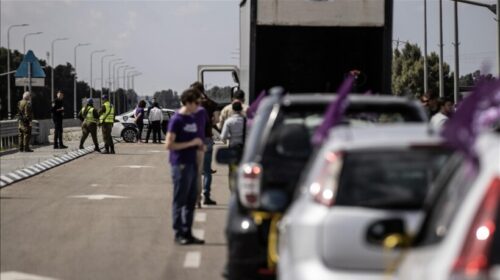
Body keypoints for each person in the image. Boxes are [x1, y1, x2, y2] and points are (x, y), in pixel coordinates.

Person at [165, 88, 205, 245]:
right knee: (180, 199)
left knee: (190, 200)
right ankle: (178, 232)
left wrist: (199, 146)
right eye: (196, 103)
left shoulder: (192, 118)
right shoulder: (177, 120)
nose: (198, 105)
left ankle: (187, 232)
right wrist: (192, 143)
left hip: (192, 162)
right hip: (180, 164)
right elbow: (168, 144)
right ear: (188, 102)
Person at [191, 81, 219, 205]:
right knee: (207, 171)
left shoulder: (192, 104)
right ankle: (206, 196)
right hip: (207, 138)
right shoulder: (211, 104)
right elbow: (216, 120)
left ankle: (195, 196)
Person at [221, 101, 246, 191]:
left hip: (232, 147)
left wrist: (231, 136)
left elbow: (223, 136)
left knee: (232, 170)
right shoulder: (246, 121)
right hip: (244, 148)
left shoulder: (229, 121)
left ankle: (233, 189)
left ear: (233, 110)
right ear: (241, 109)